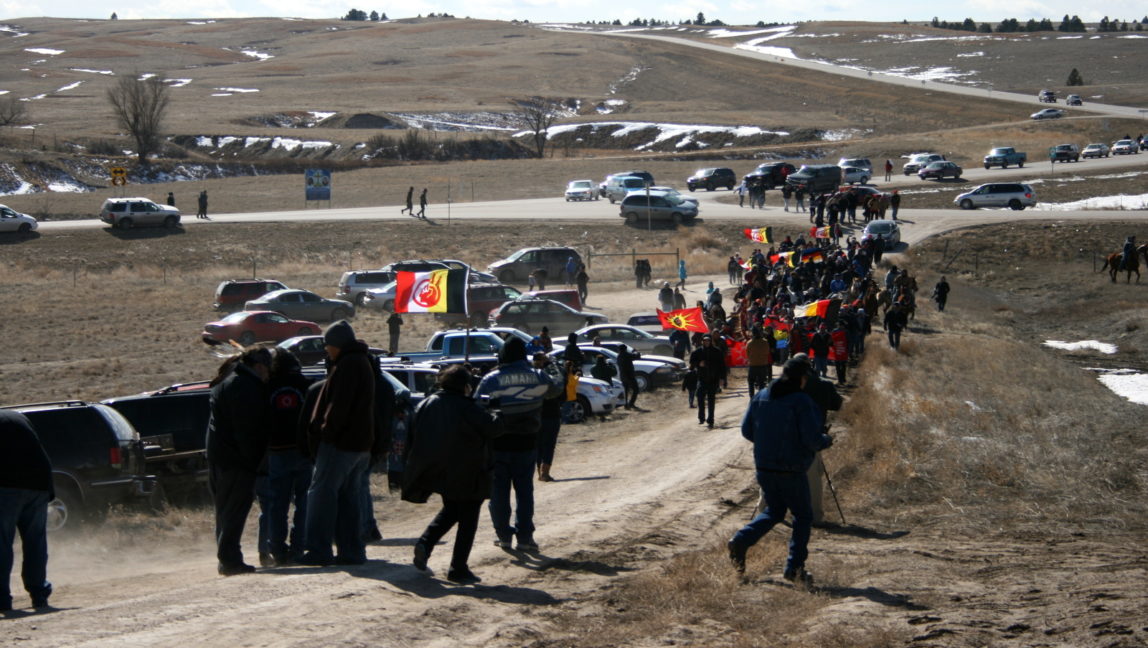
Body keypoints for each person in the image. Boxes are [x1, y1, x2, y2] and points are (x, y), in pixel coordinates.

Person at [727, 356, 831, 585]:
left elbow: (746, 431)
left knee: (775, 511)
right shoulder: (801, 401)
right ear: (802, 378)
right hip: (792, 468)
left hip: (764, 466)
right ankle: (794, 568)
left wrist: (767, 443)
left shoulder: (762, 395)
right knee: (803, 517)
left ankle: (741, 540)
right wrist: (826, 439)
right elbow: (812, 440)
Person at [404, 365, 504, 584]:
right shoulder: (467, 407)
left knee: (452, 509)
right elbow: (493, 429)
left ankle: (426, 543)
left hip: (438, 470)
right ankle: (458, 568)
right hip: (469, 470)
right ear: (465, 386)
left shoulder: (426, 404)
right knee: (468, 518)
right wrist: (497, 412)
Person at [299, 320, 375, 566]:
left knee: (321, 493)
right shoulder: (360, 362)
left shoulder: (348, 365)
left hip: (340, 444)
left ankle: (319, 550)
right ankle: (351, 551)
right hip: (359, 445)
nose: (326, 350)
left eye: (328, 345)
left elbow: (338, 407)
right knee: (348, 498)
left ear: (338, 344)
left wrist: (325, 433)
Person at [475, 337, 560, 552]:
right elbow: (557, 388)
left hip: (498, 445)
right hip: (527, 444)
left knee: (499, 493)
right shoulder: (538, 376)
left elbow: (478, 410)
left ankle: (503, 535)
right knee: (525, 492)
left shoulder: (491, 379)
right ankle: (525, 537)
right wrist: (553, 365)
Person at [206, 345, 272, 575]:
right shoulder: (245, 387)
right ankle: (230, 560)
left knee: (224, 512)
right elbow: (247, 430)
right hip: (236, 460)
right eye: (267, 370)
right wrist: (254, 462)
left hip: (219, 456)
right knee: (235, 511)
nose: (267, 375)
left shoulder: (227, 381)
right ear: (259, 366)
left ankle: (225, 557)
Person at [259, 349, 313, 565]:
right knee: (304, 502)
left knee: (277, 504)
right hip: (303, 450)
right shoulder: (305, 384)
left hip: (277, 451)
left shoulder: (266, 387)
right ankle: (299, 547)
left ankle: (278, 550)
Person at [0, 410, 53, 611]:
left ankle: (2, 599)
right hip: (40, 482)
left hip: (6, 486)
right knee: (35, 541)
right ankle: (39, 594)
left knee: (2, 543)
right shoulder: (17, 417)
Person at [533, 353, 564, 482]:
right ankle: (545, 472)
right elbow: (561, 389)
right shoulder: (552, 375)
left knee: (538, 445)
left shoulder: (530, 375)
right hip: (551, 414)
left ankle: (540, 472)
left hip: (536, 414)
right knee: (549, 444)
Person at [690, 335, 726, 429]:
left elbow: (722, 365)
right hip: (702, 379)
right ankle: (701, 418)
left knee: (711, 400)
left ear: (711, 341)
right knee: (700, 397)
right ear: (702, 341)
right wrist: (698, 363)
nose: (706, 342)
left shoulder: (717, 351)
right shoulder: (698, 351)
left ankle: (711, 420)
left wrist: (722, 379)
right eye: (705, 341)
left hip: (713, 379)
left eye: (708, 341)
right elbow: (691, 362)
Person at [745, 327, 772, 396]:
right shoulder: (765, 342)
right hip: (763, 365)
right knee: (762, 383)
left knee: (751, 382)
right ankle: (761, 398)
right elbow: (767, 352)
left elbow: (747, 354)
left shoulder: (749, 343)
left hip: (753, 365)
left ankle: (752, 397)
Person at [617, 345, 640, 410]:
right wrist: (636, 352)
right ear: (625, 349)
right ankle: (631, 403)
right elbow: (637, 357)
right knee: (635, 389)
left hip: (623, 376)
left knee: (625, 391)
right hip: (630, 375)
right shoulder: (626, 355)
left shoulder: (619, 356)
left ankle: (626, 405)